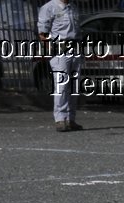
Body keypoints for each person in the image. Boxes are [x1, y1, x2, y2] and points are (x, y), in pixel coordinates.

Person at [36, 0, 80, 133]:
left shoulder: (73, 7)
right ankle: (60, 119)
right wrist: (52, 49)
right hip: (60, 50)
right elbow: (43, 33)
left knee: (74, 86)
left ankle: (70, 119)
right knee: (61, 86)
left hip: (75, 49)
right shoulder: (49, 8)